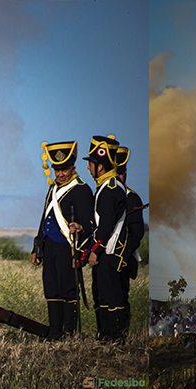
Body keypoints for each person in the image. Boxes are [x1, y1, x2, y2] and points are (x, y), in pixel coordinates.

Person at [27, 141, 91, 340]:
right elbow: (45, 218)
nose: (60, 174)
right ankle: (55, 333)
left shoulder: (81, 190)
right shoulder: (53, 189)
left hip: (68, 248)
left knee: (68, 290)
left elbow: (89, 224)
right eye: (57, 170)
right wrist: (38, 246)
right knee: (52, 289)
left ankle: (69, 334)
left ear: (73, 168)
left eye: (64, 169)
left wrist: (80, 253)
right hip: (50, 247)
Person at [83, 136, 133, 340]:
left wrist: (95, 250)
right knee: (101, 295)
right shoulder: (105, 187)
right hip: (106, 252)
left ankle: (114, 337)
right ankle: (104, 335)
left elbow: (106, 226)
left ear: (100, 166)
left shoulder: (111, 189)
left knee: (111, 296)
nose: (88, 168)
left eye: (91, 164)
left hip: (110, 252)